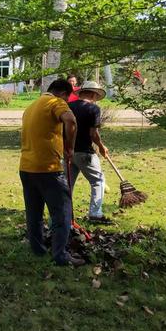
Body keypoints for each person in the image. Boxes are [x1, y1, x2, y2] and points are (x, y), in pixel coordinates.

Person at [19, 78, 84, 266]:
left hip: (26, 167)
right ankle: (60, 255)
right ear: (63, 93)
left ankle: (38, 249)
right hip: (48, 169)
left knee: (34, 212)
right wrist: (70, 147)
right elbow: (71, 120)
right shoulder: (57, 102)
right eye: (67, 97)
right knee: (62, 212)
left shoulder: (30, 107)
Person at [69, 81, 110, 223]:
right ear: (93, 94)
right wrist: (101, 146)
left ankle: (65, 213)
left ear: (81, 93)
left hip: (68, 152)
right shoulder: (93, 109)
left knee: (68, 184)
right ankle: (95, 214)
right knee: (98, 180)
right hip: (85, 153)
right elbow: (93, 134)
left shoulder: (68, 107)